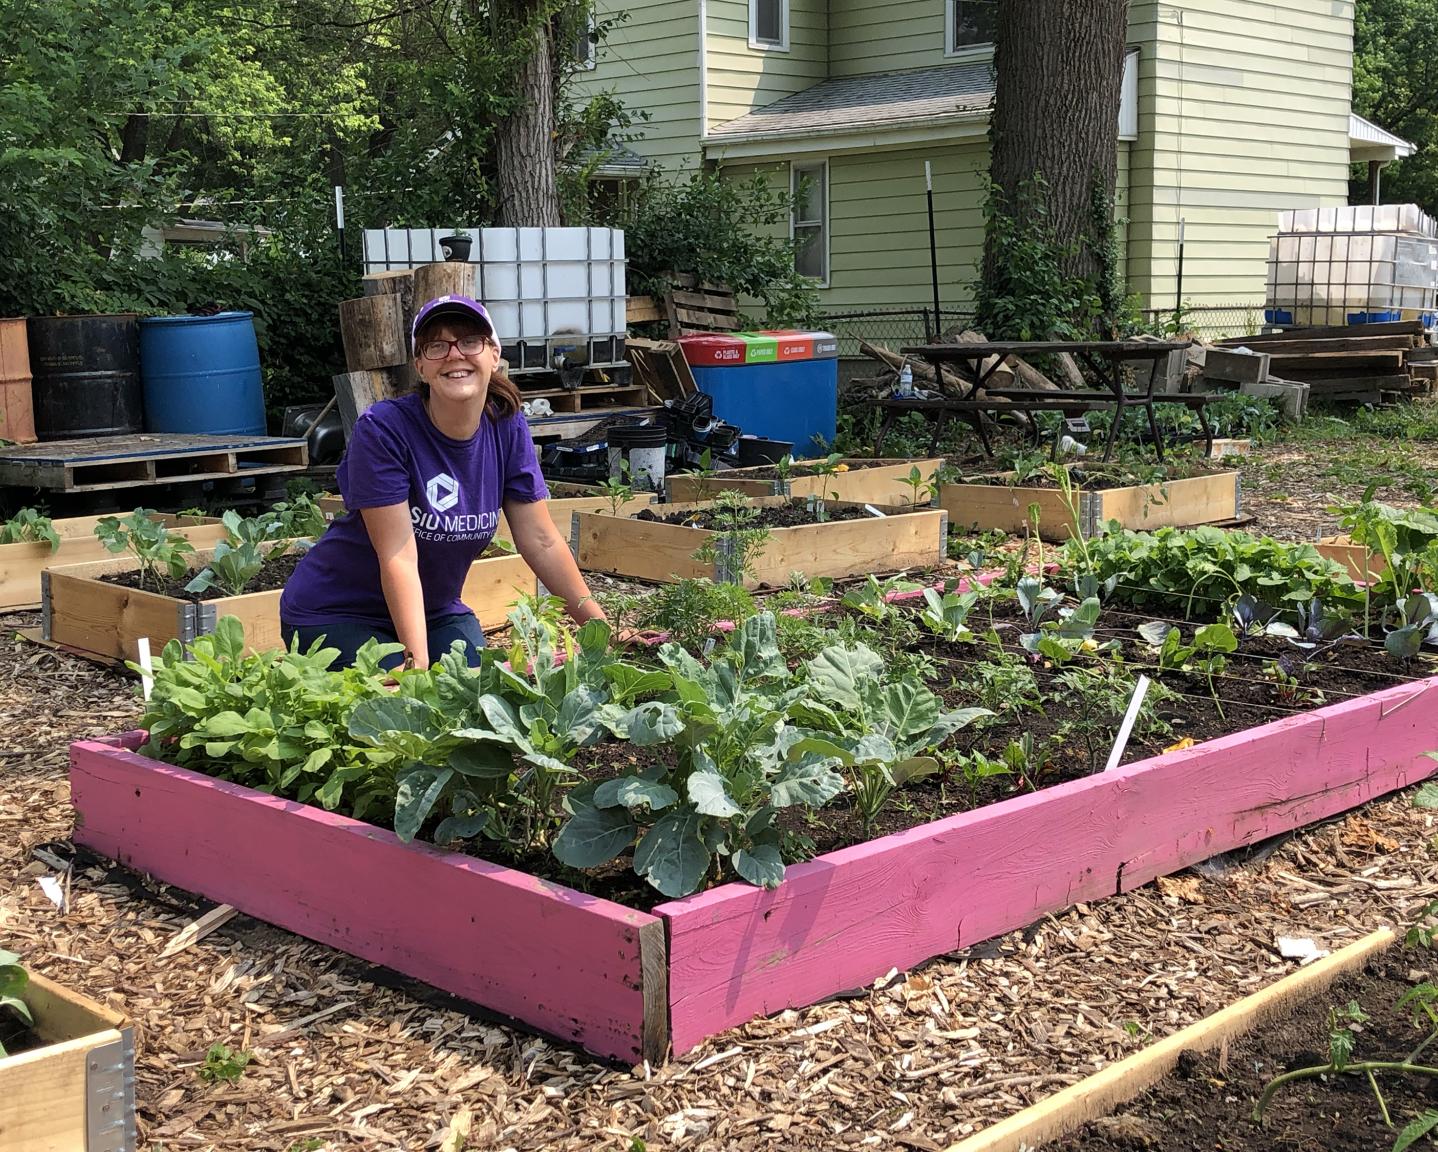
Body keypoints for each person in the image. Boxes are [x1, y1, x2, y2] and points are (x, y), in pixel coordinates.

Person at [280, 294, 605, 669]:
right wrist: (415, 665)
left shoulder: (506, 424)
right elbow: (399, 556)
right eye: (437, 345)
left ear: (493, 354)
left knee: (476, 685)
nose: (455, 354)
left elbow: (542, 540)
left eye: (469, 341)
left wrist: (599, 630)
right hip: (336, 611)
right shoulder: (384, 430)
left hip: (435, 611)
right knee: (410, 706)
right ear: (420, 365)